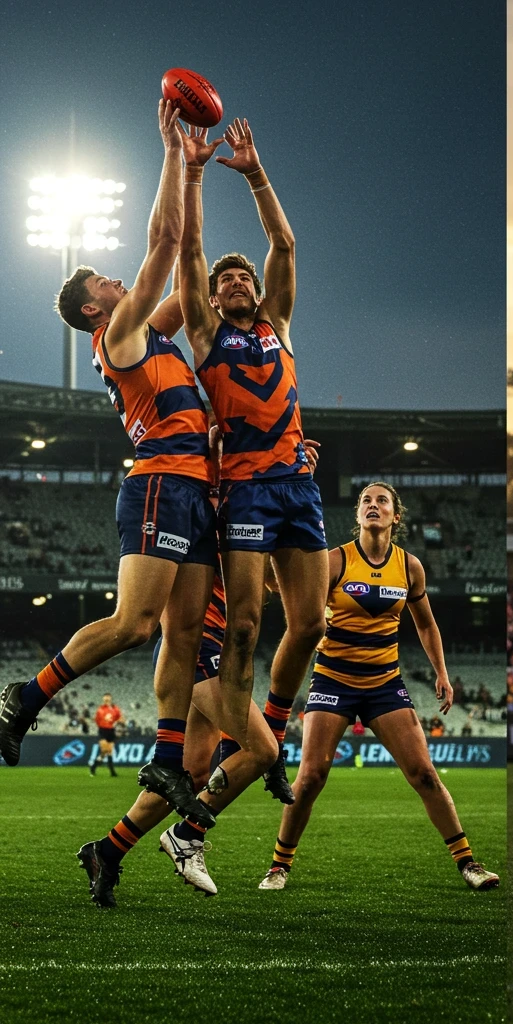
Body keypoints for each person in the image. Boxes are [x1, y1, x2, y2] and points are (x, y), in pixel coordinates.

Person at [0, 101, 215, 827]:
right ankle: (26, 695)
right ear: (97, 312)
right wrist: (168, 152)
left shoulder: (146, 331)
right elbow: (161, 241)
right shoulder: (119, 333)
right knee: (133, 625)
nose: (119, 282)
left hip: (194, 488)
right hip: (160, 484)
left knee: (181, 634)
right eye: (106, 284)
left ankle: (165, 752)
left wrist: (196, 174)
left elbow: (186, 265)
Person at [76, 423, 319, 908]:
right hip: (198, 647)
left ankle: (107, 850)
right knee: (262, 750)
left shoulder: (254, 504)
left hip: (214, 649)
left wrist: (289, 483)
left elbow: (271, 583)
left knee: (184, 775)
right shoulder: (204, 496)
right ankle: (187, 837)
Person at [258, 482, 499, 892]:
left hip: (384, 683)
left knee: (424, 773)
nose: (373, 506)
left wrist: (441, 671)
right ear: (357, 516)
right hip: (333, 679)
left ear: (395, 516)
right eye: (366, 501)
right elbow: (289, 595)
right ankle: (279, 866)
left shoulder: (410, 567)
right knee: (312, 775)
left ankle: (468, 863)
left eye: (381, 501)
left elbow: (425, 623)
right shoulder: (335, 560)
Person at [176, 119, 329, 755]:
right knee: (243, 626)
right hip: (244, 492)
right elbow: (187, 251)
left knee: (312, 622)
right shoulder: (208, 337)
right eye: (226, 280)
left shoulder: (279, 325)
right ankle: (246, 740)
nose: (237, 281)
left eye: (245, 278)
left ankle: (273, 716)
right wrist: (193, 173)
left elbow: (286, 246)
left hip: (297, 484)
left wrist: (254, 172)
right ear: (210, 299)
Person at [89, 693, 121, 777]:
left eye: (108, 698)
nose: (106, 700)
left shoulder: (115, 708)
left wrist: (116, 722)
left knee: (109, 751)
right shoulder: (100, 709)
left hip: (111, 731)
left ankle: (95, 768)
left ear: (110, 699)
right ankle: (110, 770)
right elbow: (97, 720)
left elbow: (119, 718)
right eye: (105, 699)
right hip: (103, 730)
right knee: (105, 750)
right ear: (103, 699)